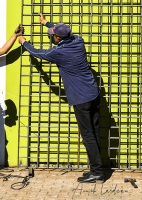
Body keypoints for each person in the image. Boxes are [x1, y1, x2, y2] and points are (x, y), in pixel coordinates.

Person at [18, 13, 104, 183]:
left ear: (58, 38)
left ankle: (97, 173)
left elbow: (36, 52)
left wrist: (23, 41)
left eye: (53, 35)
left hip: (81, 99)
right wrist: (46, 23)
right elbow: (61, 32)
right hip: (93, 94)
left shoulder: (58, 52)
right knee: (94, 132)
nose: (52, 37)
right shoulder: (78, 41)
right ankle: (97, 168)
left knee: (88, 136)